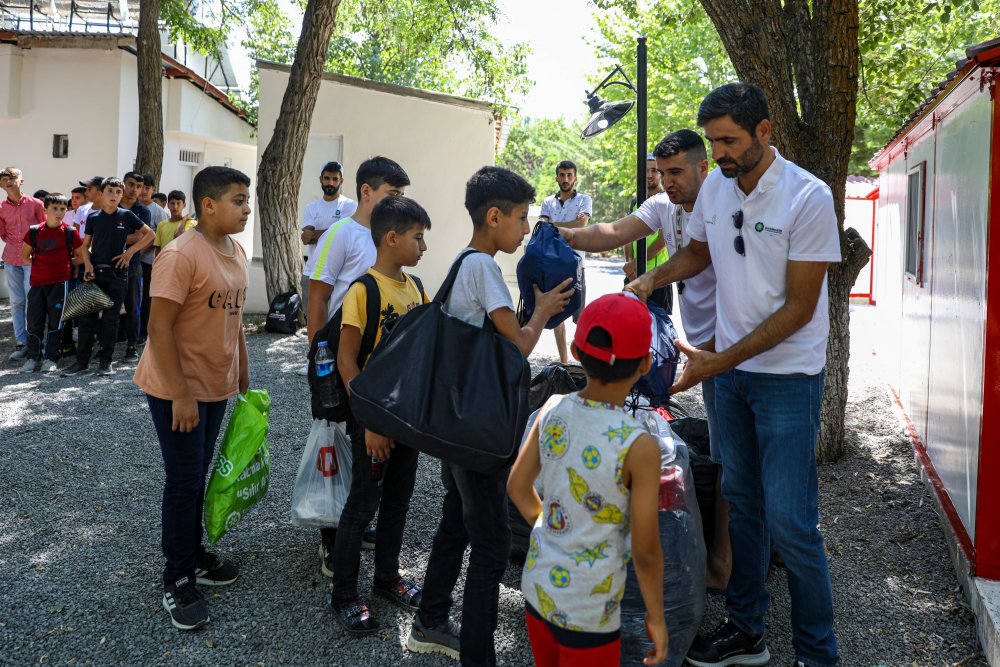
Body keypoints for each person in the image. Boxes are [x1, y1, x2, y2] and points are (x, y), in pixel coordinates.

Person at [627, 83, 841, 667]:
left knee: (792, 523)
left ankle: (817, 653)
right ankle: (747, 631)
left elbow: (799, 308)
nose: (718, 153)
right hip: (729, 375)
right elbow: (698, 253)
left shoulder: (808, 196)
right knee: (742, 502)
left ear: (764, 132)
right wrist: (651, 278)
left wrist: (718, 361)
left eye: (728, 140)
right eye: (713, 141)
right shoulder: (718, 188)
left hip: (787, 379)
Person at [405, 166, 573, 666]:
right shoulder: (482, 267)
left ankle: (430, 619)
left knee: (456, 522)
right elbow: (518, 347)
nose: (525, 229)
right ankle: (477, 656)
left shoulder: (463, 261)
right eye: (521, 218)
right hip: (478, 434)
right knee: (493, 545)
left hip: (458, 424)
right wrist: (542, 311)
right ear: (494, 217)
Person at [561, 129, 730, 592]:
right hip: (702, 345)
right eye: (662, 173)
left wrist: (649, 279)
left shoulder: (722, 201)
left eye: (676, 172)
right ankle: (722, 557)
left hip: (731, 344)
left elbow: (698, 257)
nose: (667, 181)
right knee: (724, 453)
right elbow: (614, 232)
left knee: (732, 460)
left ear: (703, 167)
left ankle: (724, 565)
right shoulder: (662, 206)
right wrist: (566, 234)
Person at [508, 292, 669, 667]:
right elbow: (646, 550)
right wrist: (657, 617)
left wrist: (553, 530)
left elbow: (517, 486)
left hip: (539, 591)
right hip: (590, 613)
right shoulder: (639, 446)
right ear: (646, 363)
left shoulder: (552, 408)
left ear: (576, 352)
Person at [132, 166, 251, 631]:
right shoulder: (180, 255)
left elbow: (235, 317)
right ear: (209, 205)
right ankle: (177, 577)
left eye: (247, 200)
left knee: (198, 472)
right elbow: (157, 328)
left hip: (215, 385)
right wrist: (181, 396)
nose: (246, 209)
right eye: (238, 200)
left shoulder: (237, 250)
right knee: (183, 480)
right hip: (176, 388)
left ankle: (194, 553)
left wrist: (242, 366)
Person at [329, 195, 431, 635]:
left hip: (407, 419)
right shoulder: (363, 290)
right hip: (373, 419)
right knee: (362, 506)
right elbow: (346, 361)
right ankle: (344, 595)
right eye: (418, 238)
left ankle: (388, 578)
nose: (423, 247)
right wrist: (370, 421)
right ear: (392, 238)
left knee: (398, 500)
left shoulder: (418, 289)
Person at [304, 156, 410, 572]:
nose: (398, 201)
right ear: (366, 192)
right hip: (339, 358)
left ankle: (355, 523)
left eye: (402, 195)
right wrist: (319, 358)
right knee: (336, 446)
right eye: (391, 193)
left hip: (377, 368)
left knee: (367, 449)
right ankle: (331, 539)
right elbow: (318, 296)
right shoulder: (341, 233)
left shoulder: (391, 237)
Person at [62, 177, 154, 377]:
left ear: (121, 195)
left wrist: (130, 253)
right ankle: (82, 362)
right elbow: (85, 246)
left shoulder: (127, 215)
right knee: (87, 318)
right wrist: (87, 265)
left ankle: (106, 362)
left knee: (111, 320)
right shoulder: (94, 218)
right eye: (110, 191)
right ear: (102, 194)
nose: (114, 195)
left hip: (118, 275)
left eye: (118, 192)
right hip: (95, 273)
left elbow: (150, 234)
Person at [19, 193, 84, 373]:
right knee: (34, 322)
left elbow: (81, 256)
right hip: (37, 283)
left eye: (63, 209)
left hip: (60, 284)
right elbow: (24, 256)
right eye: (55, 208)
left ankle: (50, 359)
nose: (59, 212)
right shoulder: (34, 231)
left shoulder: (70, 232)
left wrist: (65, 265)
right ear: (45, 210)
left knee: (57, 322)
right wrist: (41, 266)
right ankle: (33, 358)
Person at [538, 160, 592, 364]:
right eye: (562, 175)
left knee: (580, 316)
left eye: (569, 175)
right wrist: (570, 224)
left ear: (575, 177)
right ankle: (565, 362)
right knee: (557, 315)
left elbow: (582, 224)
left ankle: (584, 361)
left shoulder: (584, 200)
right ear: (556, 177)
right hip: (553, 264)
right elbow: (541, 227)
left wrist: (553, 224)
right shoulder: (547, 202)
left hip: (576, 264)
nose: (566, 179)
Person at [0, 167, 46, 361]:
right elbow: (3, 234)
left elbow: (45, 229)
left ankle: (36, 341)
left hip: (32, 259)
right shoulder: (1, 208)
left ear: (21, 181)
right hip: (11, 259)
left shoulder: (36, 204)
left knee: (32, 298)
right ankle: (22, 342)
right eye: (4, 179)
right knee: (16, 301)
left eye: (12, 178)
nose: (8, 182)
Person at [300, 161, 358, 315]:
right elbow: (306, 239)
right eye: (327, 178)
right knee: (311, 319)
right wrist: (333, 231)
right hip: (312, 271)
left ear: (341, 181)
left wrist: (315, 234)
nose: (330, 183)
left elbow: (344, 235)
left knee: (336, 318)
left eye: (334, 179)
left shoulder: (349, 206)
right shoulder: (311, 207)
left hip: (339, 273)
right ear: (321, 179)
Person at [624, 154, 672, 312]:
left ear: (661, 173)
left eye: (654, 170)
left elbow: (662, 241)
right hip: (634, 275)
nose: (650, 175)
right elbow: (627, 236)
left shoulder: (667, 200)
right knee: (630, 319)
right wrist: (629, 265)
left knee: (657, 323)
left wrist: (634, 263)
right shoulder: (635, 201)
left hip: (658, 277)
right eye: (646, 170)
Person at [120, 171, 152, 361]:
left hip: (132, 265)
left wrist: (112, 237)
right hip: (109, 264)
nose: (134, 189)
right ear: (124, 184)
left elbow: (140, 236)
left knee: (133, 307)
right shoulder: (113, 206)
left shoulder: (143, 211)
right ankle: (106, 345)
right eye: (131, 184)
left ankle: (132, 345)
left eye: (139, 186)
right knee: (109, 308)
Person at [139, 173, 170, 344]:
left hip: (149, 261)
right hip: (128, 260)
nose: (143, 191)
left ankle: (144, 332)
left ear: (153, 189)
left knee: (146, 297)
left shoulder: (158, 212)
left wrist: (142, 251)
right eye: (141, 187)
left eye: (147, 187)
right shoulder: (131, 207)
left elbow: (160, 236)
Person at [153, 191, 196, 256]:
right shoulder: (161, 225)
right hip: (165, 260)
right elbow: (158, 249)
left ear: (184, 205)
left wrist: (184, 221)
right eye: (172, 203)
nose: (175, 207)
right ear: (168, 205)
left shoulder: (192, 224)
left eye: (178, 203)